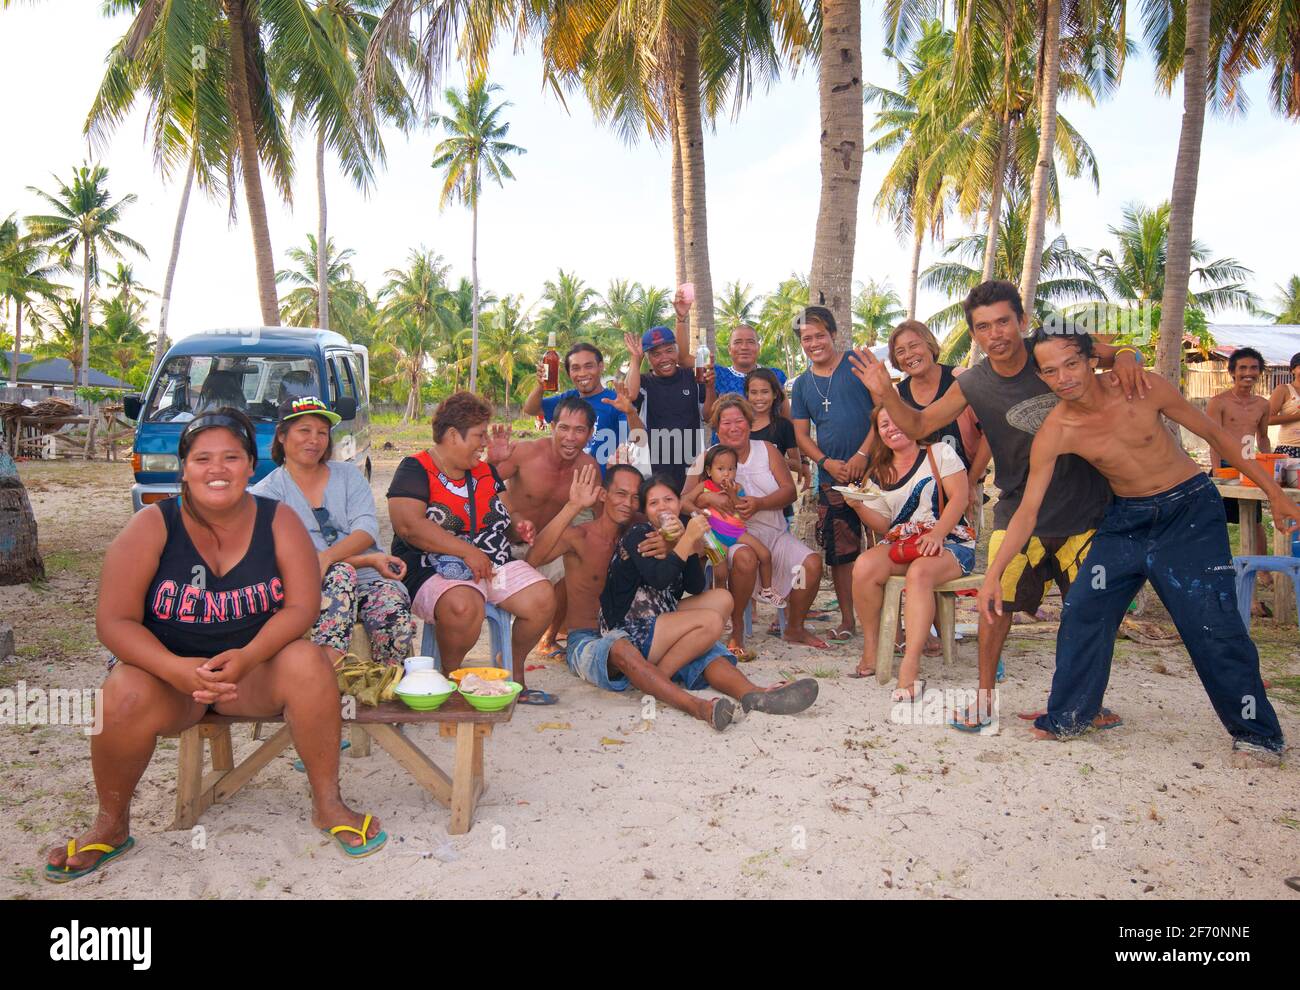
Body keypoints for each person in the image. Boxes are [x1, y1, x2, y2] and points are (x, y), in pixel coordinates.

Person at [46, 408, 384, 882]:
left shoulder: (278, 521)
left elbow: (301, 608)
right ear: (184, 467)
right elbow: (114, 621)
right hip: (171, 683)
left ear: (251, 465)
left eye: (231, 457)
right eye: (203, 458)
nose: (217, 469)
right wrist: (176, 670)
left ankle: (329, 805)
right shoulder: (151, 526)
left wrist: (247, 657)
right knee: (121, 690)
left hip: (254, 675)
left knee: (307, 661)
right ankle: (111, 824)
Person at [977, 326, 1299, 765]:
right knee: (1084, 608)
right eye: (1050, 371)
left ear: (1092, 359)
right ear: (1042, 377)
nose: (1064, 377)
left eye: (1072, 364)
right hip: (1126, 520)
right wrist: (993, 575)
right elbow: (1028, 511)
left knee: (1210, 622)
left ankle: (1258, 736)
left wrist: (1273, 492)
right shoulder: (1057, 429)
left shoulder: (1143, 388)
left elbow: (1217, 437)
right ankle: (1071, 715)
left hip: (1188, 511)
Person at [848, 280, 1147, 730]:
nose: (996, 334)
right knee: (994, 605)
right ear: (974, 334)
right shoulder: (972, 382)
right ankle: (984, 700)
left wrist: (1127, 355)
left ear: (1022, 321)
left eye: (1004, 321)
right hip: (1018, 507)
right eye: (984, 327)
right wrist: (887, 394)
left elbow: (1118, 352)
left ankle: (1086, 705)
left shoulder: (1052, 349)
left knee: (1090, 613)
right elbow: (922, 422)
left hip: (1086, 507)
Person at [525, 465, 819, 728]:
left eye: (634, 497)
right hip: (593, 637)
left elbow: (687, 582)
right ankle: (696, 705)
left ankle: (752, 694)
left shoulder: (651, 530)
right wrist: (573, 506)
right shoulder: (583, 536)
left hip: (650, 623)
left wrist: (685, 545)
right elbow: (534, 558)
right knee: (631, 645)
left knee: (717, 612)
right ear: (603, 495)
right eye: (620, 494)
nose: (627, 503)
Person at [386, 391, 557, 705]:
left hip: (491, 566)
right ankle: (454, 678)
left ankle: (511, 670)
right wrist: (466, 551)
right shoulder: (415, 469)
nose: (483, 444)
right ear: (453, 435)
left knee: (543, 598)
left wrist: (518, 527)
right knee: (464, 606)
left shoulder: (484, 470)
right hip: (430, 569)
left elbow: (502, 513)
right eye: (479, 436)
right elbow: (408, 525)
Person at [251, 396, 414, 667]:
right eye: (304, 430)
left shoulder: (349, 475)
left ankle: (388, 681)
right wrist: (363, 559)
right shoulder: (266, 494)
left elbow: (366, 530)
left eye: (322, 433)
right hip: (306, 584)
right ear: (281, 435)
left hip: (370, 578)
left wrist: (327, 557)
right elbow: (295, 561)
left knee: (391, 606)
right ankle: (327, 673)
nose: (314, 440)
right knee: (340, 575)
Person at [682, 396, 829, 656]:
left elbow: (789, 492)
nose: (733, 427)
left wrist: (760, 503)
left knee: (812, 564)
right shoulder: (705, 457)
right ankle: (736, 627)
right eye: (726, 422)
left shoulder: (768, 450)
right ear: (717, 428)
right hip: (731, 535)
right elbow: (683, 500)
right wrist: (706, 497)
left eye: (739, 420)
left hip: (774, 533)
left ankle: (795, 626)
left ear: (750, 425)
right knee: (746, 558)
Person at [845, 408, 975, 696]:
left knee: (920, 572)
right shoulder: (879, 472)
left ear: (913, 421)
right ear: (878, 433)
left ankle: (910, 664)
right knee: (864, 565)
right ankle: (872, 648)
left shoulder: (939, 453)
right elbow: (886, 524)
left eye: (897, 420)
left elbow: (960, 497)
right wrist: (858, 506)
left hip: (951, 542)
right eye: (883, 425)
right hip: (906, 544)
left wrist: (938, 533)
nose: (892, 428)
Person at [486, 396, 600, 658]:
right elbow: (478, 485)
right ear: (551, 426)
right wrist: (490, 462)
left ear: (590, 433)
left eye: (579, 430)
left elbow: (597, 522)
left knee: (577, 559)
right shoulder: (525, 453)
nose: (570, 437)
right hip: (505, 544)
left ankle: (548, 638)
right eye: (564, 428)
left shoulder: (588, 468)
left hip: (545, 546)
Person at [790, 305, 876, 643]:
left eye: (820, 335)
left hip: (877, 471)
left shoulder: (858, 364)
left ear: (834, 335)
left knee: (886, 544)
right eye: (806, 338)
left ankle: (891, 624)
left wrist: (862, 455)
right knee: (842, 552)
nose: (814, 343)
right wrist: (826, 462)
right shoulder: (802, 385)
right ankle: (847, 619)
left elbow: (883, 411)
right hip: (832, 478)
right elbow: (800, 435)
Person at [889, 319, 989, 522]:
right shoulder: (898, 395)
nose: (909, 355)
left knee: (961, 549)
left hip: (965, 484)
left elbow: (990, 435)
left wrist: (970, 484)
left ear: (929, 345)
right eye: (900, 351)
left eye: (914, 345)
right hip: (918, 491)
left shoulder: (962, 380)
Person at [631, 289, 714, 490]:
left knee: (692, 517)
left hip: (692, 465)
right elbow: (630, 396)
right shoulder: (643, 383)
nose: (665, 358)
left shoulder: (692, 376)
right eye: (656, 354)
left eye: (669, 350)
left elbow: (708, 415)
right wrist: (635, 359)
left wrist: (710, 387)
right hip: (656, 468)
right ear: (648, 359)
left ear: (677, 351)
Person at [521, 340, 637, 471]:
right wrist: (540, 386)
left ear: (600, 367)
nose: (582, 373)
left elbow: (638, 437)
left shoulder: (614, 401)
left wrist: (630, 412)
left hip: (600, 484)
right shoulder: (567, 398)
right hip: (566, 482)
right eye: (575, 368)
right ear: (569, 373)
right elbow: (531, 409)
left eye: (588, 366)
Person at [698, 443, 785, 608]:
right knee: (721, 573)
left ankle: (766, 590)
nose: (726, 473)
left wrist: (732, 494)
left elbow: (739, 509)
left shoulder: (738, 487)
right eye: (721, 469)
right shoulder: (705, 487)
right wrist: (707, 499)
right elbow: (692, 501)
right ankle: (720, 606)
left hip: (737, 533)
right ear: (709, 471)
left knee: (765, 554)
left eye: (731, 469)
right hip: (717, 536)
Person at [1207, 347, 1272, 554]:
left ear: (1260, 372)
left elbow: (1262, 437)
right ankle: (1218, 564)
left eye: (1254, 368)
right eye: (1242, 368)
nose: (1248, 373)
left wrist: (1268, 464)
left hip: (1249, 466)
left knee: (1255, 520)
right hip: (1224, 467)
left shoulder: (1262, 404)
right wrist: (1216, 470)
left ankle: (1262, 570)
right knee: (1216, 521)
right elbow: (1214, 438)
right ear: (1232, 372)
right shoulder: (1219, 402)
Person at [699, 323, 787, 420]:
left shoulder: (775, 375)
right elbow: (708, 417)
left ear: (758, 348)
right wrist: (710, 387)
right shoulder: (717, 374)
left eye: (750, 342)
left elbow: (787, 419)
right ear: (729, 349)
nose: (744, 347)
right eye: (737, 342)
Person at [745, 367, 806, 501]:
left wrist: (771, 460)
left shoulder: (783, 426)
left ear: (775, 394)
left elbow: (797, 464)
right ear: (747, 394)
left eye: (765, 392)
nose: (759, 398)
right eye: (754, 392)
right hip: (744, 499)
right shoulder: (740, 426)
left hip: (776, 499)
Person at [1268, 351, 1300, 458]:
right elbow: (1267, 419)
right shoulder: (1284, 390)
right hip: (1291, 449)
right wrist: (1297, 416)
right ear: (1293, 370)